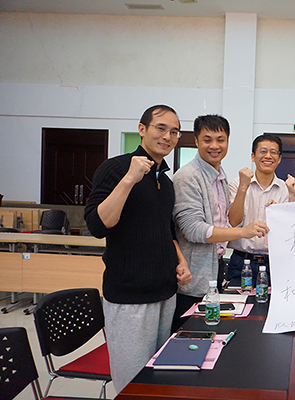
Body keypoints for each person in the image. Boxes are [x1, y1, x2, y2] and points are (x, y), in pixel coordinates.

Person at [84, 105, 192, 393]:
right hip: (130, 297)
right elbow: (98, 225)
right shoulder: (116, 168)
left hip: (165, 293)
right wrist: (129, 180)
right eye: (161, 128)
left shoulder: (165, 182)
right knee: (131, 385)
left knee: (157, 379)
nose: (167, 136)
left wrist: (180, 260)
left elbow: (166, 231)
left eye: (174, 132)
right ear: (142, 129)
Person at [171, 114, 268, 330]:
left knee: (211, 331)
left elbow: (229, 221)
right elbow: (194, 230)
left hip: (214, 268)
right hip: (192, 277)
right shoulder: (188, 176)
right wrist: (244, 232)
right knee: (190, 334)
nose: (214, 146)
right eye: (207, 140)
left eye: (220, 140)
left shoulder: (219, 176)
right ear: (196, 141)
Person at [226, 134, 290, 286]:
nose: (268, 156)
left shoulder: (285, 189)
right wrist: (243, 188)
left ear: (279, 159)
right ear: (253, 156)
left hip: (273, 263)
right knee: (237, 301)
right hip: (241, 261)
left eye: (273, 152)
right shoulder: (237, 183)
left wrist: (279, 214)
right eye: (263, 151)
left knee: (270, 302)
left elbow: (287, 232)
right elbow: (233, 222)